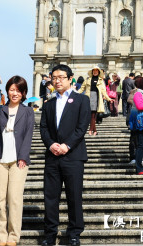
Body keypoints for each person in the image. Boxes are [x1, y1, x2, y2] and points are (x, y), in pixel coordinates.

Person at [39, 64, 90, 246]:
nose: (57, 80)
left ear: (70, 79)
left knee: (74, 196)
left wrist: (67, 146)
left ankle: (75, 233)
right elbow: (43, 128)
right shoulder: (49, 103)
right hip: (53, 155)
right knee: (50, 197)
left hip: (73, 155)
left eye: (61, 77)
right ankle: (50, 234)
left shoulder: (82, 100)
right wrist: (51, 144)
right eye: (54, 77)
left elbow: (82, 127)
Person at [0, 76, 35, 246]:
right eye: (11, 89)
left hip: (18, 160)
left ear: (23, 93)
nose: (14, 93)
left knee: (14, 198)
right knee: (0, 198)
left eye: (18, 90)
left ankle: (13, 237)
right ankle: (1, 237)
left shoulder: (28, 112)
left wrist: (23, 156)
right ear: (7, 90)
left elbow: (28, 136)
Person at [78, 67, 112, 136]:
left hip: (96, 98)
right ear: (92, 72)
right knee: (91, 115)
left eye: (97, 71)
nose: (95, 72)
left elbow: (103, 91)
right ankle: (95, 131)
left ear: (99, 72)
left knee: (93, 114)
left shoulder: (101, 80)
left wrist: (108, 99)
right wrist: (75, 94)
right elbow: (82, 88)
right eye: (94, 71)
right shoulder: (87, 79)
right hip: (88, 97)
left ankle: (90, 130)